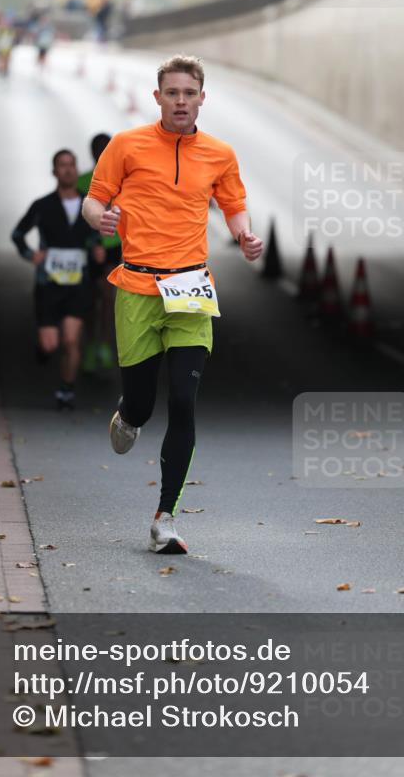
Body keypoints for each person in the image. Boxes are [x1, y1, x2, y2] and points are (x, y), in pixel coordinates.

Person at [82, 54, 263, 554]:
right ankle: (127, 415)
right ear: (157, 96)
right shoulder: (126, 145)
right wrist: (100, 218)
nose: (181, 101)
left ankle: (166, 517)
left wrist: (245, 235)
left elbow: (233, 205)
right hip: (138, 288)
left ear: (202, 97)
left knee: (183, 401)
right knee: (142, 404)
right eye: (172, 93)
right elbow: (93, 198)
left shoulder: (219, 154)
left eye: (190, 93)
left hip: (190, 291)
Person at [12, 149, 105, 409]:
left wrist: (97, 250)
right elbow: (18, 234)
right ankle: (43, 350)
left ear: (76, 170)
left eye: (71, 165)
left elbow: (96, 237)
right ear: (55, 172)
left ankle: (67, 390)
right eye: (62, 165)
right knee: (50, 345)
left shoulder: (90, 206)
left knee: (71, 340)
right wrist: (31, 255)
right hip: (49, 285)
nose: (67, 170)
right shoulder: (42, 206)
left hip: (78, 285)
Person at [77, 134, 121, 372]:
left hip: (114, 248)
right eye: (99, 151)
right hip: (86, 252)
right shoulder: (82, 181)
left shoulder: (123, 182)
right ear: (93, 154)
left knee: (107, 298)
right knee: (89, 301)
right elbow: (75, 218)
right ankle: (90, 343)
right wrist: (93, 243)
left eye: (107, 150)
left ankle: (102, 345)